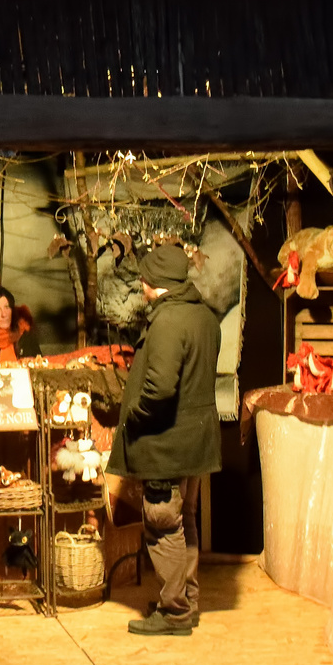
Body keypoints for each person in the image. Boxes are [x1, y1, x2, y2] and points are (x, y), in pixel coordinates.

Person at [106, 243, 220, 636]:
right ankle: (186, 602)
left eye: (146, 277)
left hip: (166, 442)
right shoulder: (204, 316)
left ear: (158, 282)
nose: (142, 283)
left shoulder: (170, 321)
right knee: (183, 519)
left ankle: (174, 613)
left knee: (161, 520)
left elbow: (159, 390)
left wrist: (133, 418)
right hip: (193, 441)